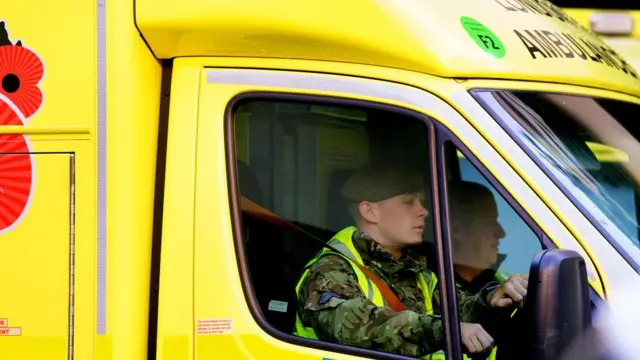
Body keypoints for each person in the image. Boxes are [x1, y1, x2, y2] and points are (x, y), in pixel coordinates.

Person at [293, 164, 528, 358]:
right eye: (408, 202)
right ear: (370, 212)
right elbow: (362, 326)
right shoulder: (331, 270)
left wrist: (491, 298)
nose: (423, 211)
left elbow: (456, 310)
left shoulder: (414, 269)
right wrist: (446, 331)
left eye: (422, 201)